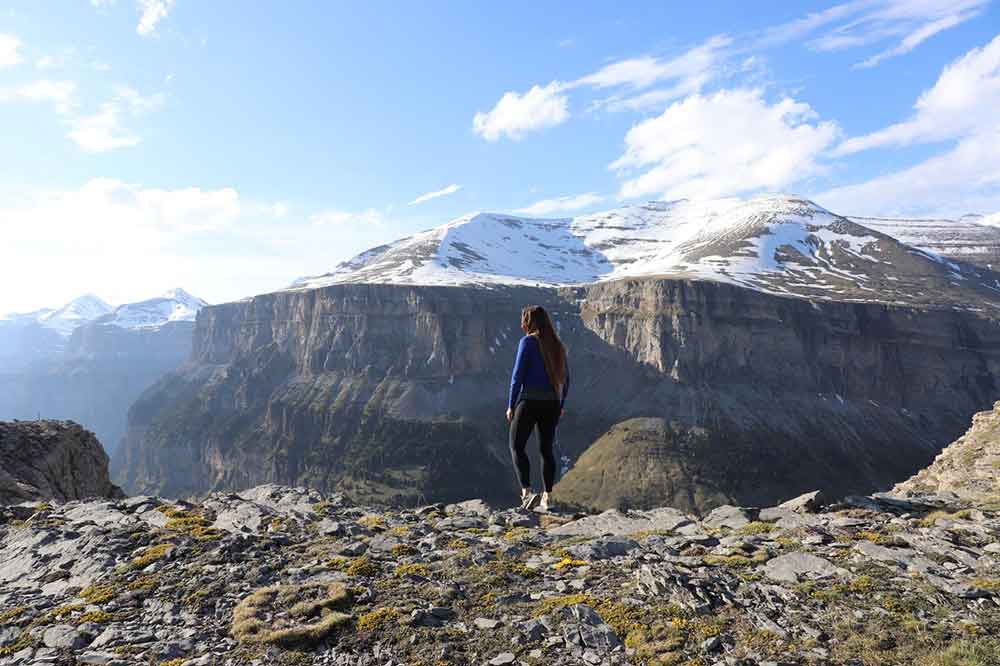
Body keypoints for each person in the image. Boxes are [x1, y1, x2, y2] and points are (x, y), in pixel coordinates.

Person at [507, 305, 570, 513]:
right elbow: (566, 380)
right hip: (551, 403)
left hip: (529, 401)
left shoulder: (527, 342)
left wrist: (511, 405)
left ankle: (526, 492)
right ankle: (547, 497)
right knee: (546, 450)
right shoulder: (557, 345)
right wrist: (560, 405)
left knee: (516, 445)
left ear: (529, 322)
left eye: (523, 320)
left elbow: (517, 376)